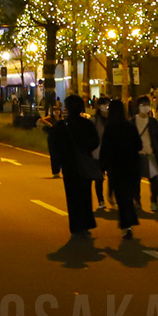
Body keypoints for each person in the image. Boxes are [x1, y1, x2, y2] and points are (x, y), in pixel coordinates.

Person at [46, 94, 100, 240]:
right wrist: (85, 150)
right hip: (84, 162)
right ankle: (86, 225)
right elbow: (95, 141)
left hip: (69, 166)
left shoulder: (62, 125)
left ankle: (76, 226)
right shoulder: (87, 124)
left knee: (72, 197)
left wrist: (59, 160)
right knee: (85, 195)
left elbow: (53, 144)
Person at [100, 99, 142, 239]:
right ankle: (128, 222)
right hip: (131, 165)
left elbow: (105, 149)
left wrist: (102, 166)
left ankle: (126, 225)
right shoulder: (130, 126)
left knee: (121, 197)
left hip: (116, 167)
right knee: (128, 196)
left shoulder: (110, 128)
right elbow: (139, 145)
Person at [135, 95, 158, 212]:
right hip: (137, 155)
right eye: (143, 105)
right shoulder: (133, 122)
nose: (145, 107)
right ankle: (137, 201)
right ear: (138, 107)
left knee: (154, 180)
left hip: (151, 154)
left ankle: (154, 202)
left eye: (147, 105)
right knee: (136, 181)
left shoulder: (153, 122)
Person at [91, 97, 111, 210]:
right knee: (99, 178)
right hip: (97, 153)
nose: (105, 107)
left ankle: (111, 196)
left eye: (107, 105)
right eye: (103, 105)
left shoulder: (113, 119)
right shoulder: (95, 120)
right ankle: (101, 200)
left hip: (110, 152)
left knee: (113, 177)